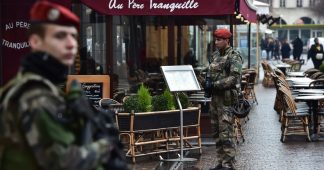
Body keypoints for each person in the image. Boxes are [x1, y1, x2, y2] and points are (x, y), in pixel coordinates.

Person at [0, 1, 127, 170]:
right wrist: (106, 144)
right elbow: (64, 163)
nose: (71, 44)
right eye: (60, 36)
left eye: (73, 36)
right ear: (36, 41)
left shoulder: (33, 86)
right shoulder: (36, 96)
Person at [205, 28, 242, 170]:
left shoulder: (234, 56)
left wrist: (215, 84)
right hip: (215, 100)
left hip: (226, 101)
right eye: (215, 39)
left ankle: (229, 164)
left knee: (226, 133)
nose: (216, 42)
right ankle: (221, 162)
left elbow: (234, 78)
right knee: (216, 132)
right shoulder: (214, 55)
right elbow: (209, 72)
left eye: (219, 39)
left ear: (227, 40)